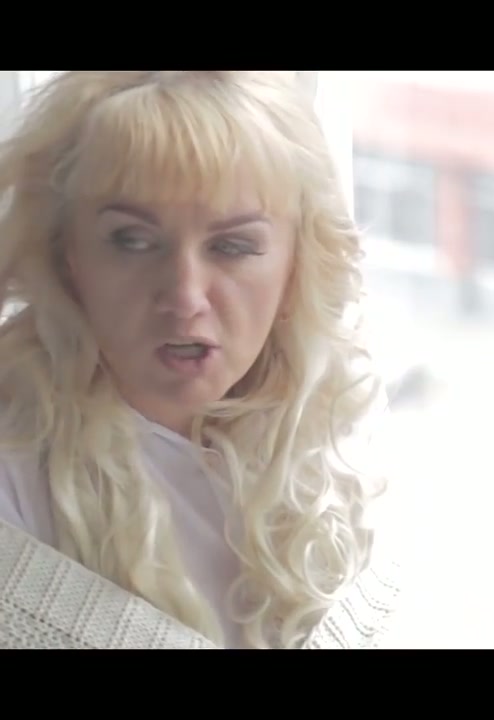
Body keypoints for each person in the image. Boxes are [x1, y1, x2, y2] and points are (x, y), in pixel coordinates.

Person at [0, 71, 401, 649]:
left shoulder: (343, 431)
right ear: (68, 257)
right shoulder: (17, 470)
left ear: (296, 264)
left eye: (232, 246)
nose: (185, 297)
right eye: (133, 241)